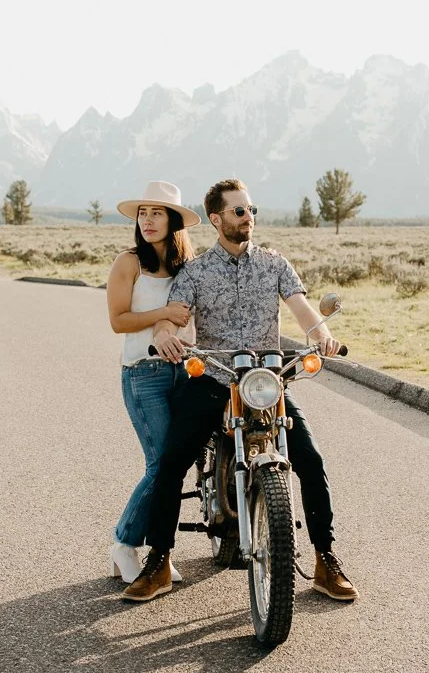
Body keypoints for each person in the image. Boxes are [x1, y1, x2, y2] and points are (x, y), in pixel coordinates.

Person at [122, 177, 358, 603]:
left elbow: (304, 311)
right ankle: (158, 561)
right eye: (239, 211)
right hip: (215, 379)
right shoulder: (195, 272)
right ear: (216, 219)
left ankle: (325, 559)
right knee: (171, 462)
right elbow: (171, 318)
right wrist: (165, 335)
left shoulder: (274, 264)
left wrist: (322, 335)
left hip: (267, 381)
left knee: (311, 460)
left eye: (252, 210)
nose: (248, 217)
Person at [105, 180, 199, 583]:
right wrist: (162, 313)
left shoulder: (187, 265)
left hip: (186, 371)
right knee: (161, 463)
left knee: (177, 463)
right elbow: (118, 321)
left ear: (174, 220)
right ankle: (125, 544)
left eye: (157, 213)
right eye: (143, 213)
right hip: (143, 374)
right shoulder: (129, 263)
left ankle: (160, 550)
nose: (148, 221)